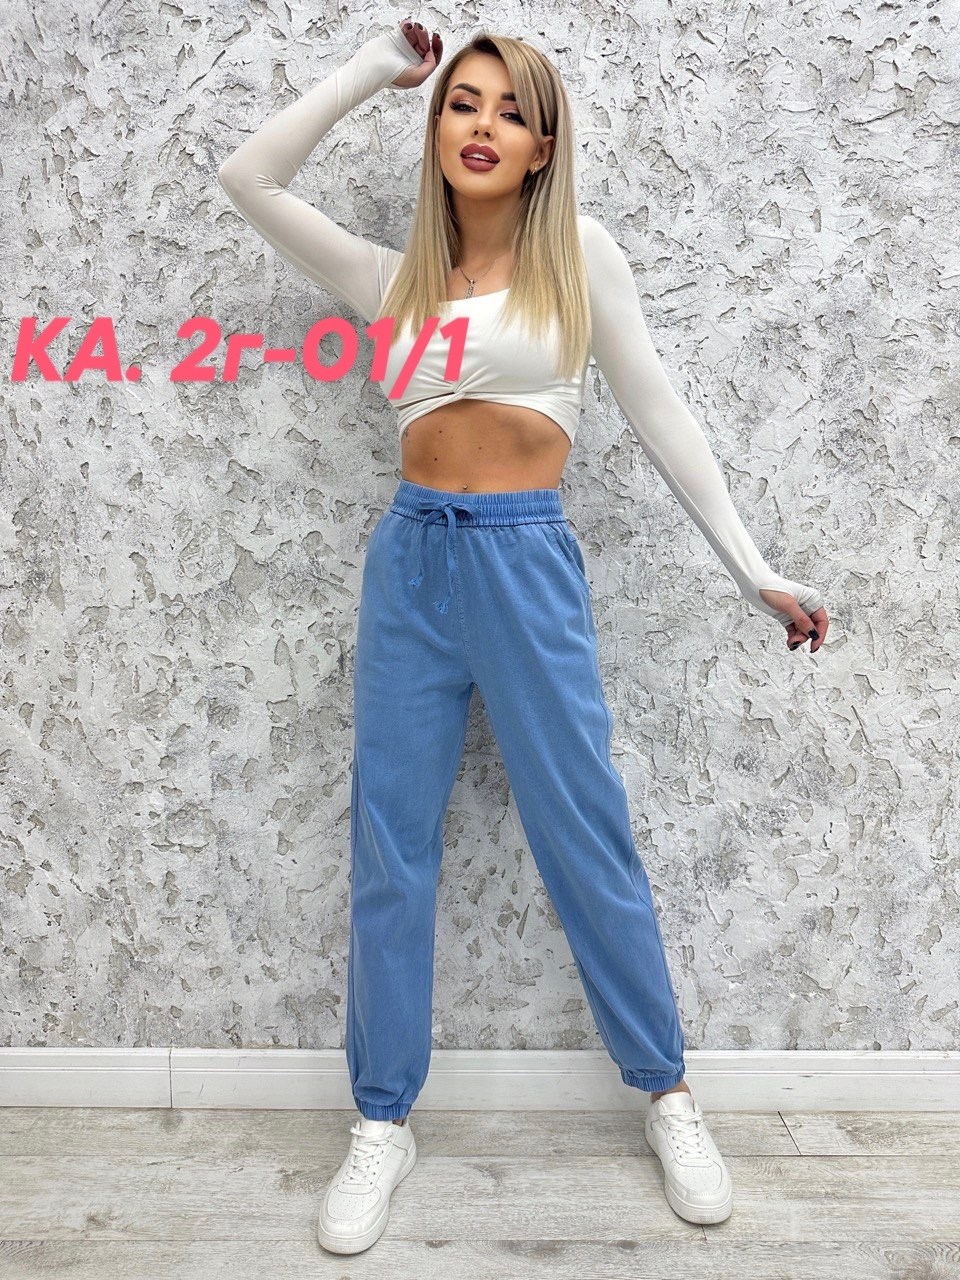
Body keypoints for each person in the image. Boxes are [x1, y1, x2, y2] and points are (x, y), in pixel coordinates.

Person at [217, 14, 828, 1256]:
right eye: (462, 102)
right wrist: (376, 70)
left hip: (526, 558)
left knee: (585, 830)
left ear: (544, 145)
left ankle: (668, 1095)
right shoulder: (390, 277)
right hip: (411, 563)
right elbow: (249, 178)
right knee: (392, 843)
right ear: (436, 128)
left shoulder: (579, 258)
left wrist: (753, 570)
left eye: (508, 109)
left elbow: (661, 415)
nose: (481, 124)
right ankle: (382, 1119)